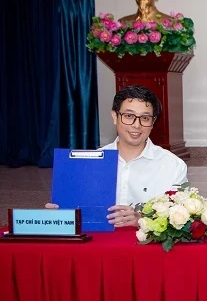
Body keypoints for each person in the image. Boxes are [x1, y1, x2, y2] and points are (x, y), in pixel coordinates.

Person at [48, 85, 187, 227]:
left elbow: (181, 217)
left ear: (153, 122)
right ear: (115, 117)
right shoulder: (88, 163)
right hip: (99, 244)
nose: (136, 125)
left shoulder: (173, 165)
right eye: (129, 116)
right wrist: (59, 214)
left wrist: (141, 219)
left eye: (145, 118)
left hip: (148, 245)